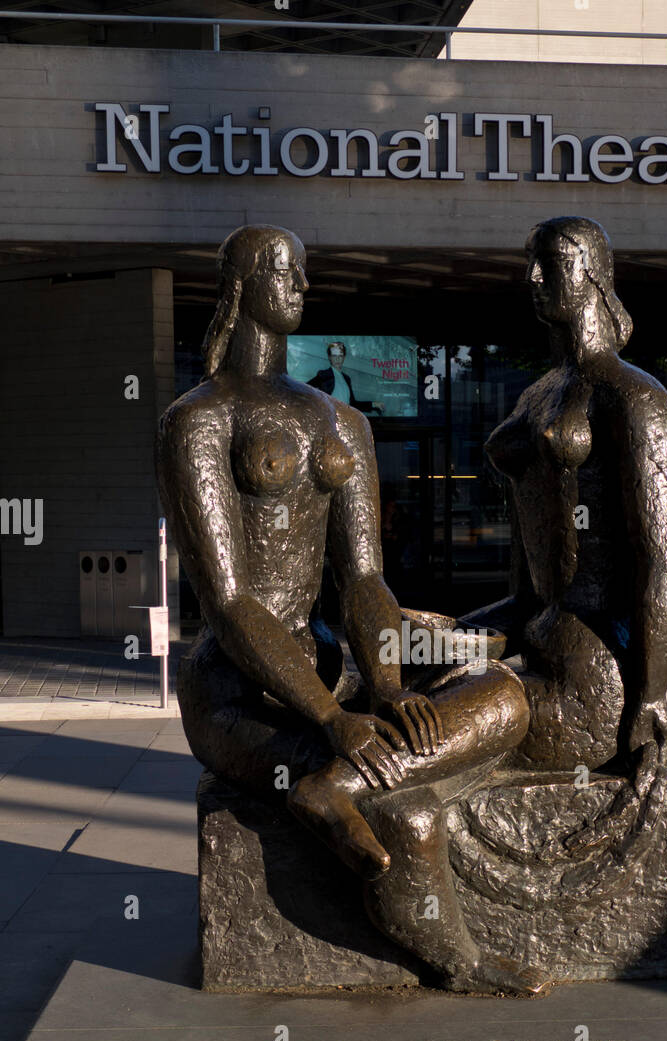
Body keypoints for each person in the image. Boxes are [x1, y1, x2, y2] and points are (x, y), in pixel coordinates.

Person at [157, 224, 544, 994]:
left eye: (303, 270)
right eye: (281, 270)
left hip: (335, 667)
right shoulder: (197, 420)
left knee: (507, 695)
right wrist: (332, 721)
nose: (300, 283)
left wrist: (392, 688)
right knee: (412, 817)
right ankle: (454, 957)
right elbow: (229, 601)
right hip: (242, 690)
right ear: (239, 286)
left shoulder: (343, 424)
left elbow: (364, 580)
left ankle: (337, 786)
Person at [464, 215, 667, 829]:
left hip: (591, 683)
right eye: (529, 264)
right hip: (535, 637)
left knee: (416, 729)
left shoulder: (634, 397)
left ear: (590, 274)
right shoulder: (537, 394)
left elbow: (665, 562)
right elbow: (527, 587)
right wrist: (447, 636)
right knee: (395, 675)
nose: (533, 277)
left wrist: (650, 697)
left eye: (551, 263)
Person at [307, 341, 384, 414]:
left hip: (345, 419)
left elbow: (353, 404)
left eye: (340, 356)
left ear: (344, 357)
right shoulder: (324, 374)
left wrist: (373, 404)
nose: (337, 359)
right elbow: (305, 389)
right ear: (329, 357)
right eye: (334, 356)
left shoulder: (346, 378)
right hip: (331, 419)